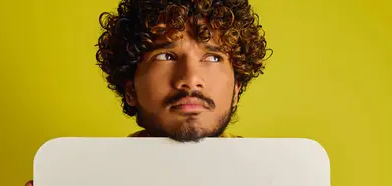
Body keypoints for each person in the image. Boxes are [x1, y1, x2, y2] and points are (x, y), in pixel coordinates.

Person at [25, 0, 270, 184]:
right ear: (130, 88)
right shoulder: (85, 178)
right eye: (166, 56)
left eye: (213, 57)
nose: (190, 79)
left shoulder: (279, 174)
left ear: (237, 88)